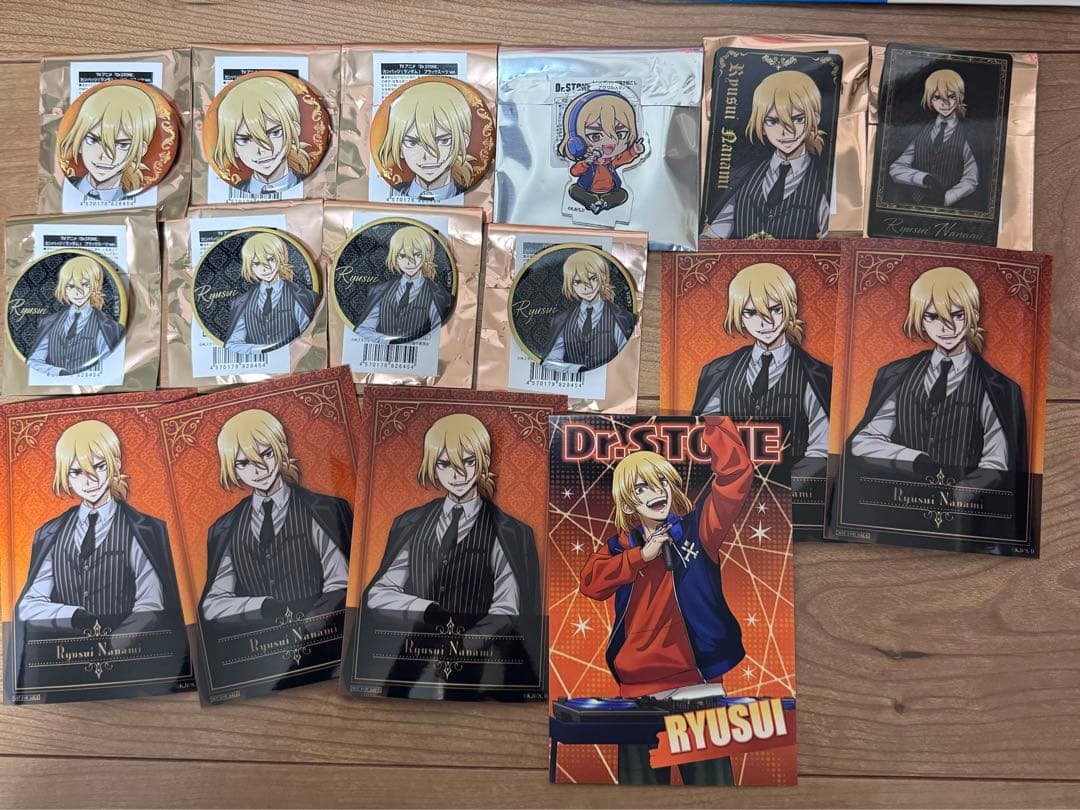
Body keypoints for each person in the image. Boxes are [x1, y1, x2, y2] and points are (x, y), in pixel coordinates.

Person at [579, 418, 753, 785]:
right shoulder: (619, 548)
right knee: (637, 794)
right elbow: (591, 584)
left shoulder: (698, 530)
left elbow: (735, 477)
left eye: (661, 482)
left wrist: (714, 422)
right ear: (629, 501)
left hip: (698, 690)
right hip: (637, 695)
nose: (655, 492)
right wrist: (641, 556)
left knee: (713, 793)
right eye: (641, 487)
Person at [362, 414, 541, 689]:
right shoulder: (410, 522)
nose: (458, 475)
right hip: (411, 660)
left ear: (484, 461)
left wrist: (467, 643)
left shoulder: (509, 531)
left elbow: (508, 608)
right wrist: (426, 609)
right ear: (432, 466)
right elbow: (378, 594)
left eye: (468, 462)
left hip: (479, 666)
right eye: (445, 464)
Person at [849, 266, 1025, 489]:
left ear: (974, 314)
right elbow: (864, 441)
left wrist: (963, 493)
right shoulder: (896, 374)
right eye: (932, 317)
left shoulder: (996, 386)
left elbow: (997, 461)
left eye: (958, 315)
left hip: (965, 501)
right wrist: (914, 459)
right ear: (919, 319)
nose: (947, 327)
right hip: (900, 496)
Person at [16, 420, 183, 640]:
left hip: (130, 648)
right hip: (67, 651)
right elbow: (28, 606)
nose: (90, 481)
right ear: (65, 476)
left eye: (99, 466)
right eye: (76, 472)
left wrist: (120, 640)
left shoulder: (142, 529)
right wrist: (74, 615)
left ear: (116, 463)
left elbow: (151, 603)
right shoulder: (52, 533)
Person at [200, 409, 351, 626]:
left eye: (266, 454)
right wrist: (262, 606)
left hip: (322, 633)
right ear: (232, 468)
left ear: (283, 449)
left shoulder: (323, 510)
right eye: (243, 463)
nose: (258, 470)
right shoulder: (226, 527)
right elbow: (213, 604)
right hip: (257, 638)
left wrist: (312, 626)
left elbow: (342, 583)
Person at [692, 262, 831, 477]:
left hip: (791, 485)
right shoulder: (718, 371)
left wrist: (792, 484)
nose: (765, 322)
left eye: (776, 309)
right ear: (739, 315)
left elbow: (820, 448)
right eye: (751, 313)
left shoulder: (814, 374)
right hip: (728, 483)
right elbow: (705, 435)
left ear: (792, 308)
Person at [703, 71, 830, 240]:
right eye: (773, 121)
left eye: (798, 119)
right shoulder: (744, 175)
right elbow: (716, 233)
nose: (786, 132)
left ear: (815, 119)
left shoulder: (823, 180)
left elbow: (832, 240)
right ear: (761, 125)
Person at [888, 69, 979, 208]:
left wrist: (946, 198)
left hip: (950, 207)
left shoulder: (967, 133)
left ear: (960, 96)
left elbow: (971, 179)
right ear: (929, 99)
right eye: (937, 97)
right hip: (914, 204)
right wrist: (923, 178)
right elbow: (896, 168)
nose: (945, 103)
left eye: (951, 96)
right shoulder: (921, 130)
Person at [212, 74, 314, 197]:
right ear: (233, 148)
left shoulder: (313, 185)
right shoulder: (231, 189)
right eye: (244, 140)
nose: (262, 150)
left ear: (294, 132)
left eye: (274, 133)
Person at [376, 80, 478, 202]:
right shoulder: (390, 190)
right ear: (399, 148)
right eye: (413, 143)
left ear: (463, 143)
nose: (428, 155)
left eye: (443, 141)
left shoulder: (472, 196)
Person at [26, 255, 124, 377]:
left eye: (85, 285)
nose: (78, 293)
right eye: (71, 286)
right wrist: (58, 371)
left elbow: (108, 365)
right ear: (64, 288)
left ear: (95, 286)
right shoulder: (49, 322)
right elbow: (33, 361)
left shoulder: (109, 328)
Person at [58, 83, 157, 203]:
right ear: (79, 142)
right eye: (93, 140)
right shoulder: (58, 189)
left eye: (122, 145)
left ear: (140, 150)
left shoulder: (144, 199)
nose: (104, 155)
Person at [352, 225, 452, 344]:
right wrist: (388, 341)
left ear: (427, 255)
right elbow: (362, 329)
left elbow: (438, 332)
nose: (409, 263)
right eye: (402, 256)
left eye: (417, 255)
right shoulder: (381, 290)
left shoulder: (438, 294)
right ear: (395, 257)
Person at [542, 250, 635, 373]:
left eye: (592, 278)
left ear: (602, 277)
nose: (586, 287)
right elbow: (549, 362)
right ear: (570, 284)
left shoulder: (620, 317)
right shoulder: (562, 320)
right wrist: (578, 369)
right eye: (578, 282)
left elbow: (628, 358)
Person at [222, 232, 316, 353]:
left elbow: (309, 334)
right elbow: (232, 344)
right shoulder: (242, 302)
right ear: (249, 267)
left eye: (270, 259)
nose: (265, 268)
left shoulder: (302, 297)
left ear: (280, 257)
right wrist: (262, 350)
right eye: (256, 264)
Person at [557, 90, 645, 215]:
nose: (611, 142)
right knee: (574, 190)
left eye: (620, 134)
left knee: (622, 194)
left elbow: (623, 158)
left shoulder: (610, 162)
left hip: (609, 191)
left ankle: (603, 203)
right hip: (587, 190)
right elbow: (574, 172)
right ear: (576, 141)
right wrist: (586, 163)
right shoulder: (588, 162)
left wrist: (634, 150)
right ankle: (592, 202)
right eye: (595, 136)